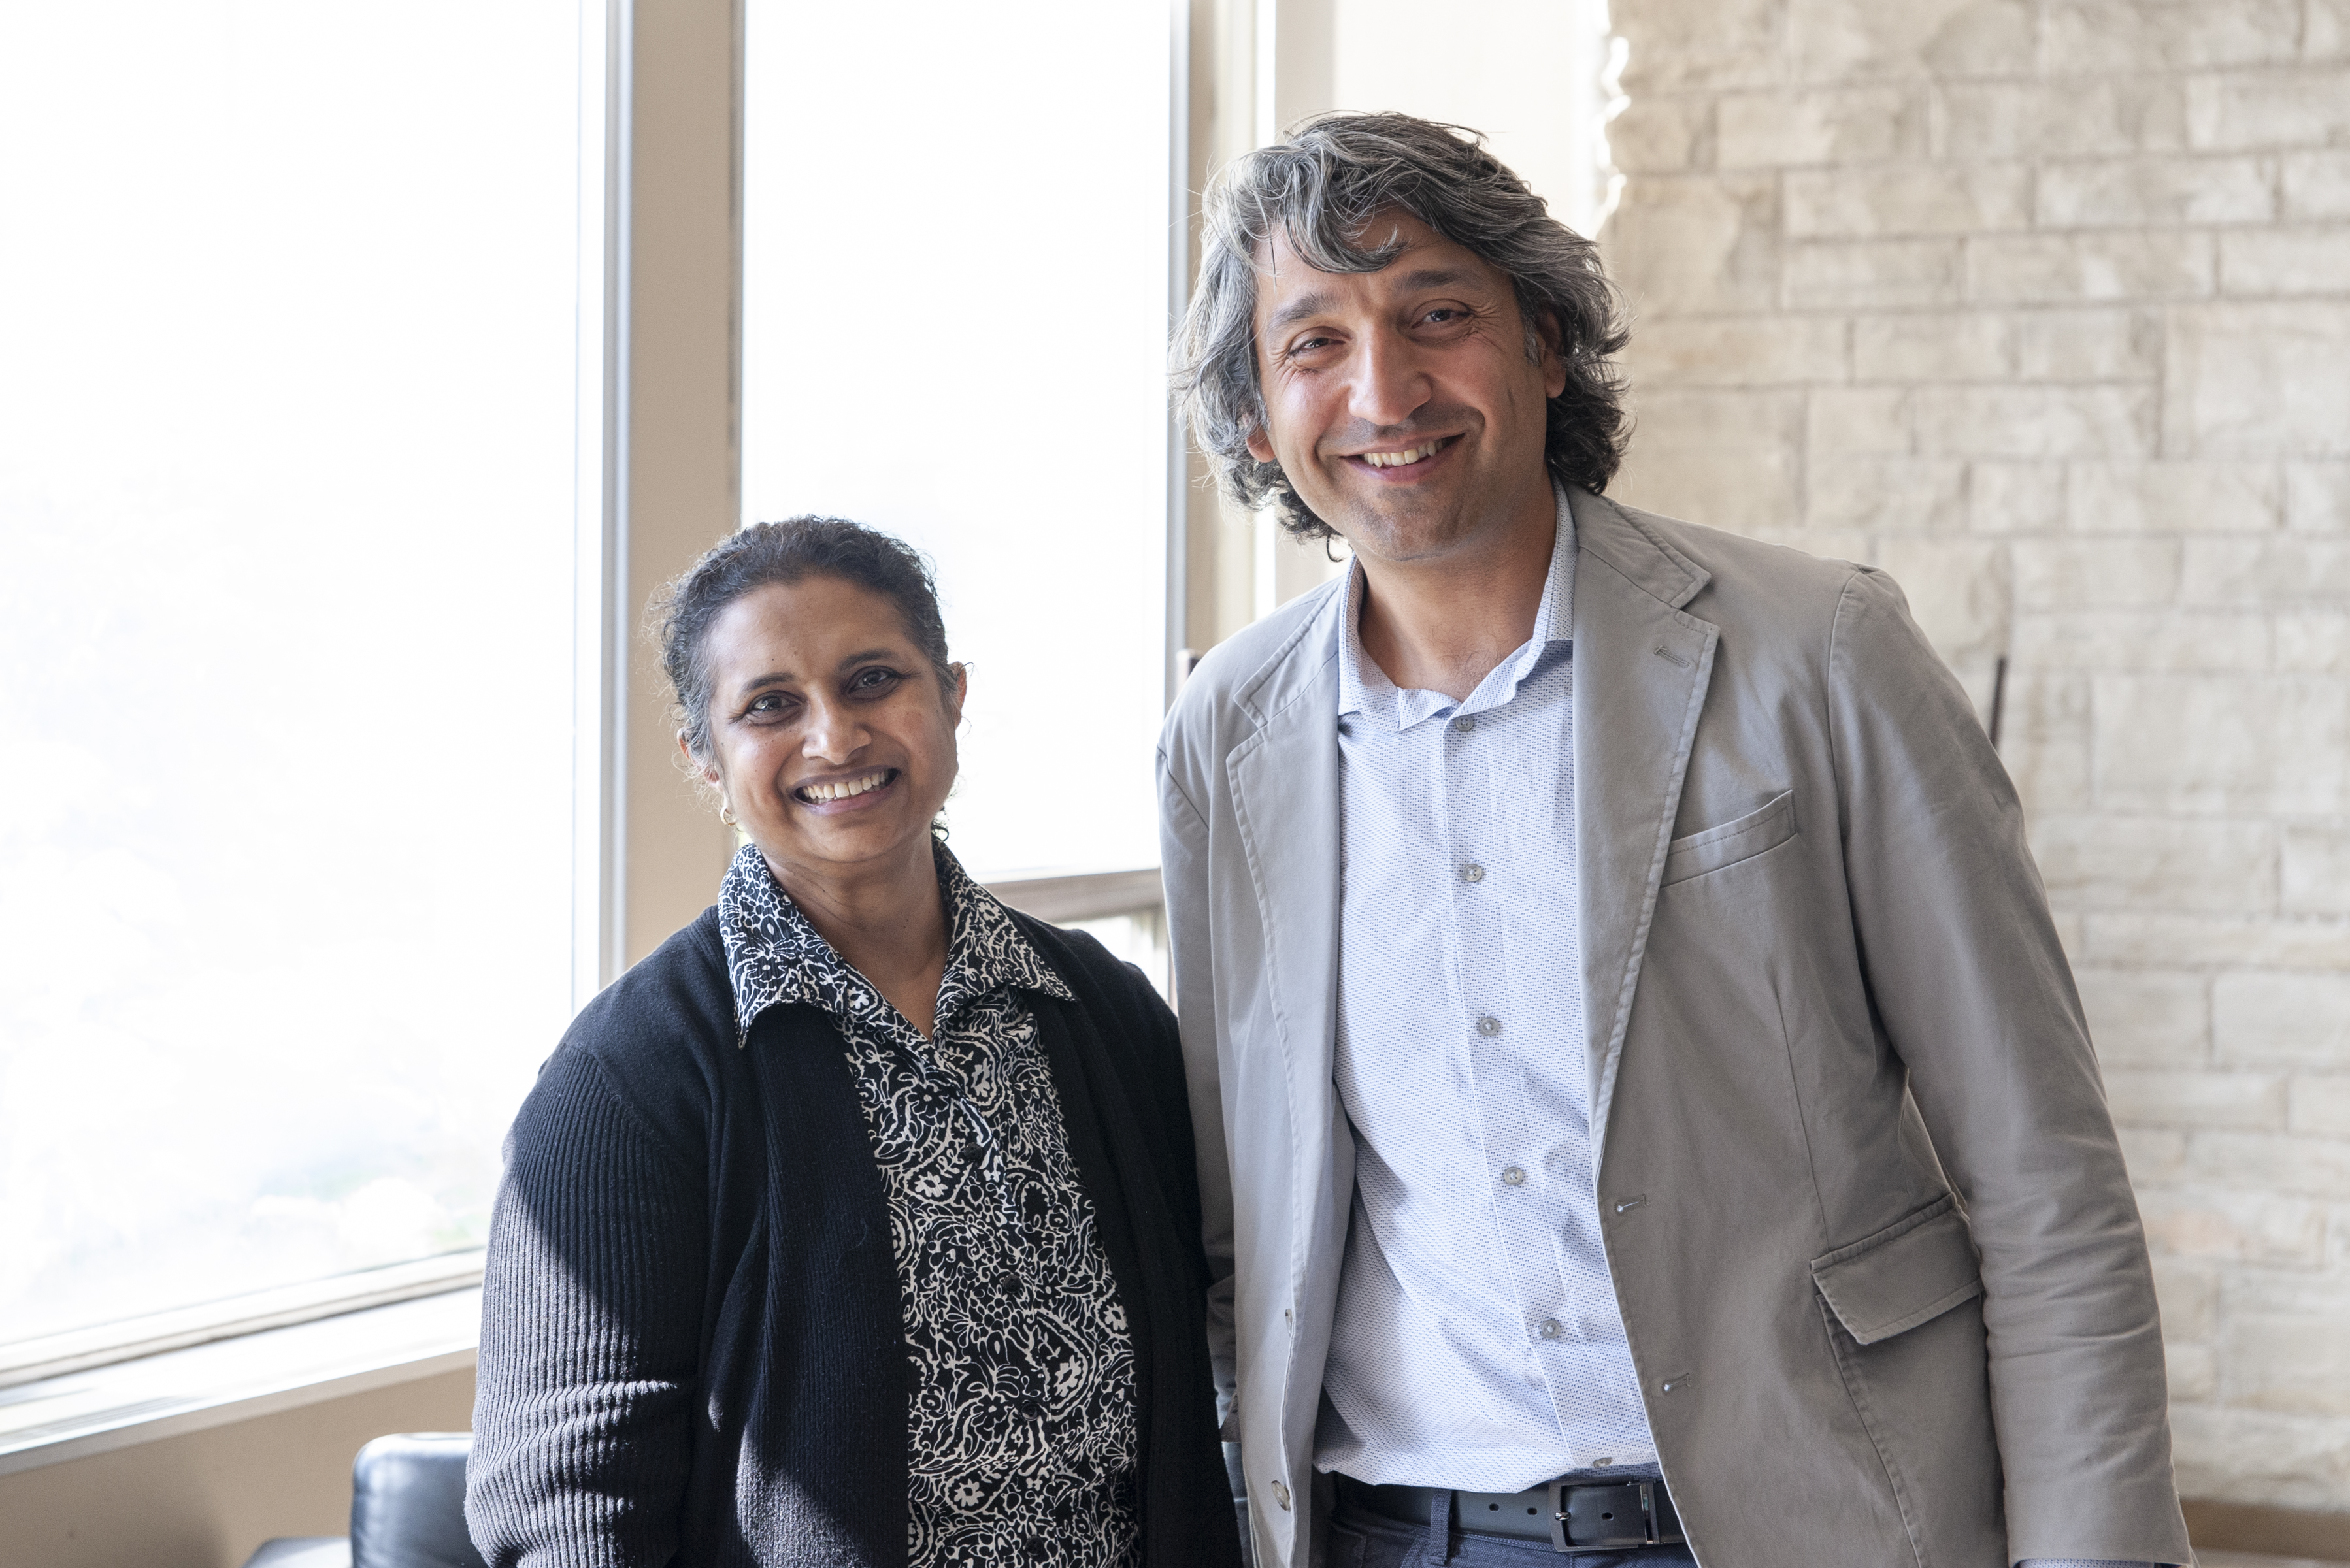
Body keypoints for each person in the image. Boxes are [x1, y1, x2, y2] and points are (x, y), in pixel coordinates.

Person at [1159, 112, 2192, 1568]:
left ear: (1546, 344)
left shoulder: (1820, 655)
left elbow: (2045, 1183)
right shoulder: (1224, 732)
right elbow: (1237, 1214)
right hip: (1402, 1532)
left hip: (1812, 1515)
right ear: (1260, 416)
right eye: (1313, 340)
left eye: (1436, 315)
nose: (1384, 387)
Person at [467, 519, 1242, 1568]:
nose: (834, 738)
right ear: (703, 755)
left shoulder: (1099, 1010)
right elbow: (569, 1510)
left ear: (951, 695)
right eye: (770, 706)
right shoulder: (627, 1079)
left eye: (873, 680)